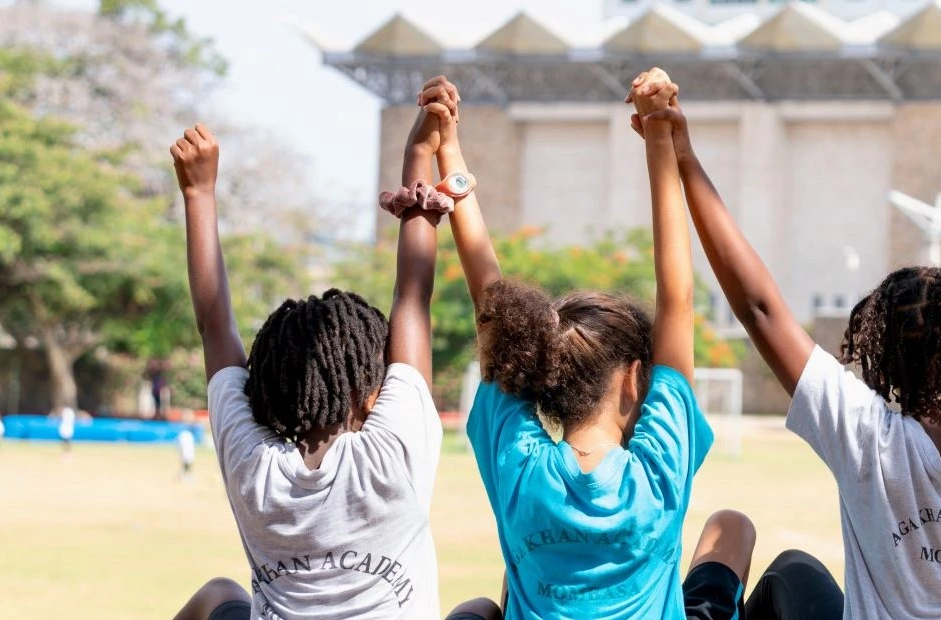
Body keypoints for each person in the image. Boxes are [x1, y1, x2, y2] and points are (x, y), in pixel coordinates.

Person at [629, 21, 941, 615]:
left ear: (876, 356)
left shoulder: (866, 436)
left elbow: (759, 307)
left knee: (793, 570)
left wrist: (680, 151)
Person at [431, 69, 722, 620]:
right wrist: (661, 137)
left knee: (480, 606)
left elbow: (491, 302)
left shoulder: (520, 469)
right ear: (636, 379)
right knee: (732, 530)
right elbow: (678, 298)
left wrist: (449, 151)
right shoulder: (657, 474)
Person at [170, 93, 449, 619]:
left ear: (263, 388)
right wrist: (419, 154)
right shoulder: (391, 455)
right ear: (372, 393)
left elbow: (214, 326)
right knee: (482, 606)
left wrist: (197, 192)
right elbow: (413, 296)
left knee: (217, 596)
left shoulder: (252, 465)